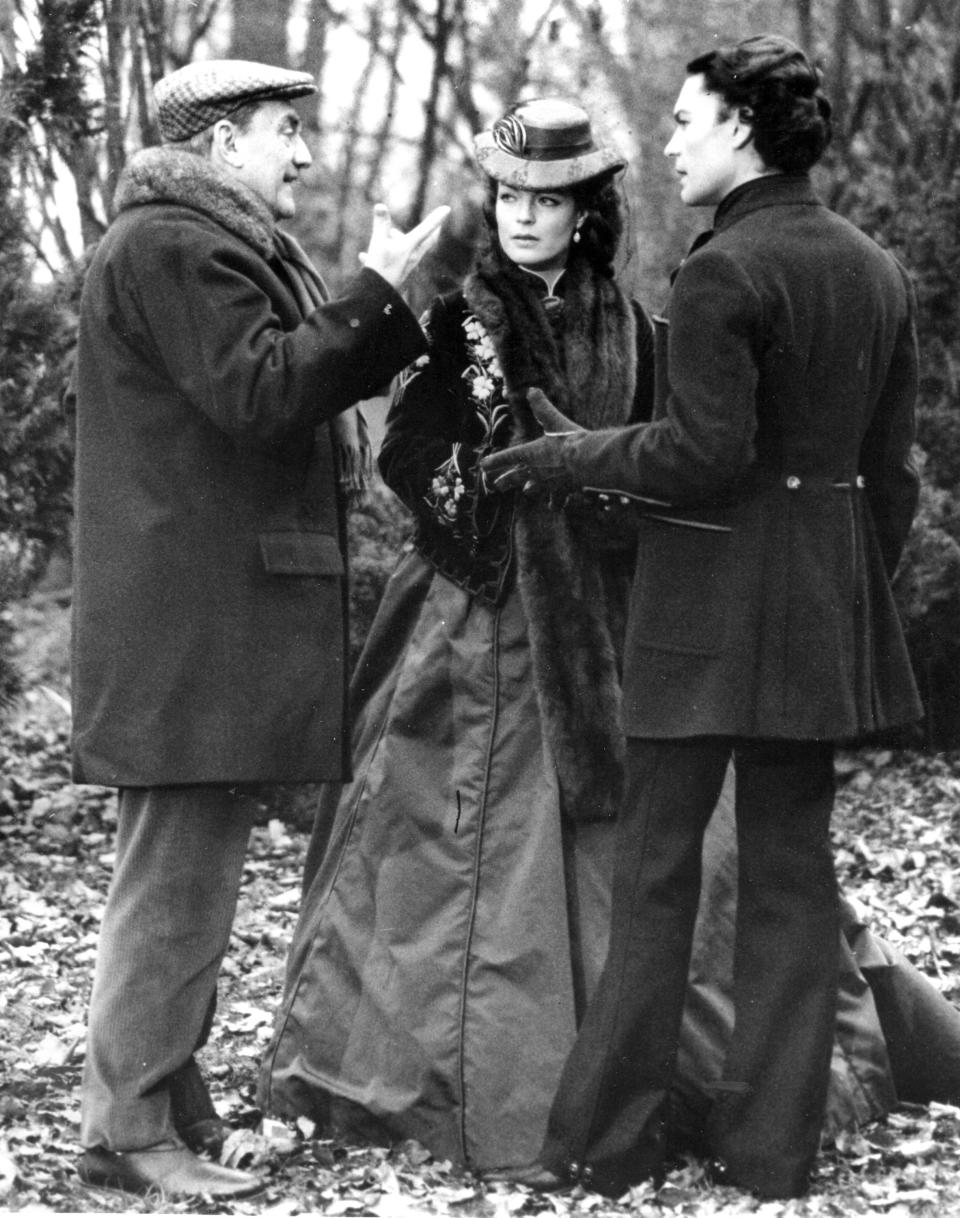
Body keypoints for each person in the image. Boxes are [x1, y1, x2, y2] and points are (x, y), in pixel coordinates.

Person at [480, 35, 923, 1200]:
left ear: (739, 129)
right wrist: (836, 588)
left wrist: (568, 454)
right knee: (790, 882)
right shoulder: (875, 269)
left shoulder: (724, 271)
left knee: (656, 877)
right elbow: (897, 478)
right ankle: (773, 1154)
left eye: (684, 121)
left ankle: (606, 1147)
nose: (668, 143)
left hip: (700, 618)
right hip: (817, 616)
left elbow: (699, 454)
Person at [71, 58, 447, 1200]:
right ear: (226, 142)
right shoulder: (177, 247)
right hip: (197, 629)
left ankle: (167, 1099)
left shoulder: (201, 244)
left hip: (203, 627)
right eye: (287, 130)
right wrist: (380, 289)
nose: (304, 154)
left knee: (193, 877)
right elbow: (264, 392)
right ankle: (126, 1134)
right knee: (176, 882)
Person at [258, 97, 657, 1171]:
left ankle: (624, 1078)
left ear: (586, 212)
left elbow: (659, 458)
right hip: (473, 606)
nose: (526, 216)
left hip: (600, 622)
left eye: (550, 201)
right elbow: (405, 448)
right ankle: (444, 1080)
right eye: (513, 197)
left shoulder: (636, 323)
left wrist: (597, 490)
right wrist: (487, 492)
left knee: (634, 843)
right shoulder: (457, 319)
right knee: (436, 831)